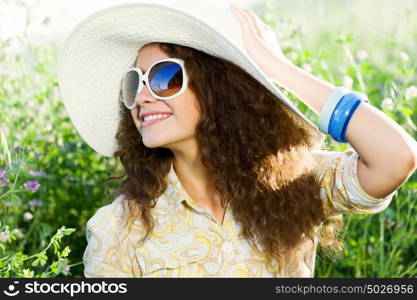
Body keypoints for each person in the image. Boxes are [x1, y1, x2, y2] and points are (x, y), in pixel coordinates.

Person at [56, 0, 417, 277]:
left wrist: (276, 70)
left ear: (217, 88)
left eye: (165, 77)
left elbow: (396, 158)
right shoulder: (118, 229)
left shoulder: (295, 181)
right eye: (134, 83)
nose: (143, 97)